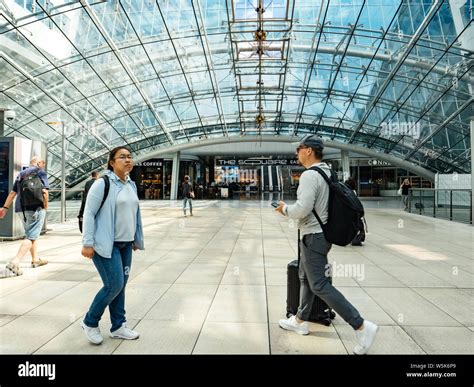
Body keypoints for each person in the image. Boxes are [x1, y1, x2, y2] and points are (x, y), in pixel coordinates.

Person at [275, 135, 378, 355]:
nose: (297, 153)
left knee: (319, 284)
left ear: (309, 151)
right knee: (305, 277)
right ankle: (301, 320)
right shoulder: (327, 171)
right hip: (319, 235)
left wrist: (284, 209)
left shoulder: (310, 175)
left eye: (299, 149)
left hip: (314, 236)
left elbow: (302, 209)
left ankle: (360, 325)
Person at [81, 146, 144, 345]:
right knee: (113, 285)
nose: (128, 160)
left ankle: (118, 326)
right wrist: (87, 243)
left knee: (121, 286)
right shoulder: (102, 183)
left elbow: (134, 214)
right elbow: (89, 213)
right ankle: (90, 322)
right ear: (111, 162)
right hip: (106, 244)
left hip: (125, 245)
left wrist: (135, 237)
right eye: (122, 157)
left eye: (130, 157)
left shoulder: (130, 184)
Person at [0, 156, 49, 276]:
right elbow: (45, 192)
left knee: (31, 234)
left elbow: (12, 193)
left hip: (20, 208)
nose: (43, 165)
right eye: (42, 163)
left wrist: (5, 208)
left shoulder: (21, 174)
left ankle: (35, 260)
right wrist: (45, 207)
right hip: (35, 208)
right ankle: (15, 262)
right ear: (39, 163)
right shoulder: (41, 173)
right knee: (31, 236)